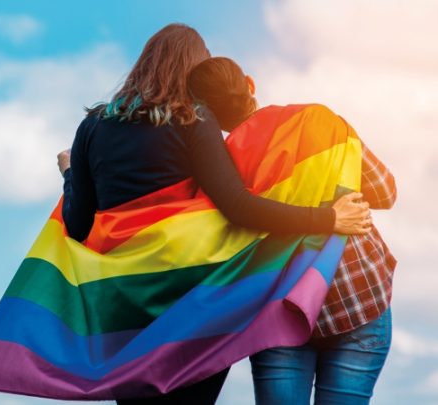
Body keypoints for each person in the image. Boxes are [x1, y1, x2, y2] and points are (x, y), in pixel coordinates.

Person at [56, 24, 371, 405]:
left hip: (123, 312)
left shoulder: (92, 127)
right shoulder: (193, 119)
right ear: (193, 72)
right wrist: (327, 219)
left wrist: (71, 174)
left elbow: (76, 225)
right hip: (192, 305)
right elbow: (238, 207)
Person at [187, 56, 397, 405]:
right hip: (358, 297)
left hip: (280, 310)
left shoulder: (220, 169)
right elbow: (386, 192)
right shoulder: (319, 120)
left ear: (204, 112)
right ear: (250, 85)